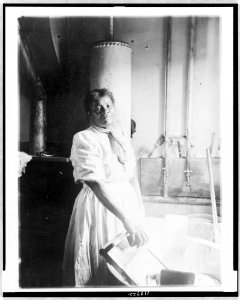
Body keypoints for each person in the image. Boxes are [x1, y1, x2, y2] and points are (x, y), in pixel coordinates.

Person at [62, 88, 148, 287]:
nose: (104, 111)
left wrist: (139, 210)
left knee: (123, 263)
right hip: (100, 206)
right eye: (97, 108)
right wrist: (125, 218)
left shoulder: (121, 137)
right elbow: (96, 184)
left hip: (126, 204)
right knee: (99, 260)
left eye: (108, 106)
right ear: (90, 113)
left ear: (113, 108)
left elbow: (132, 176)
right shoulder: (84, 138)